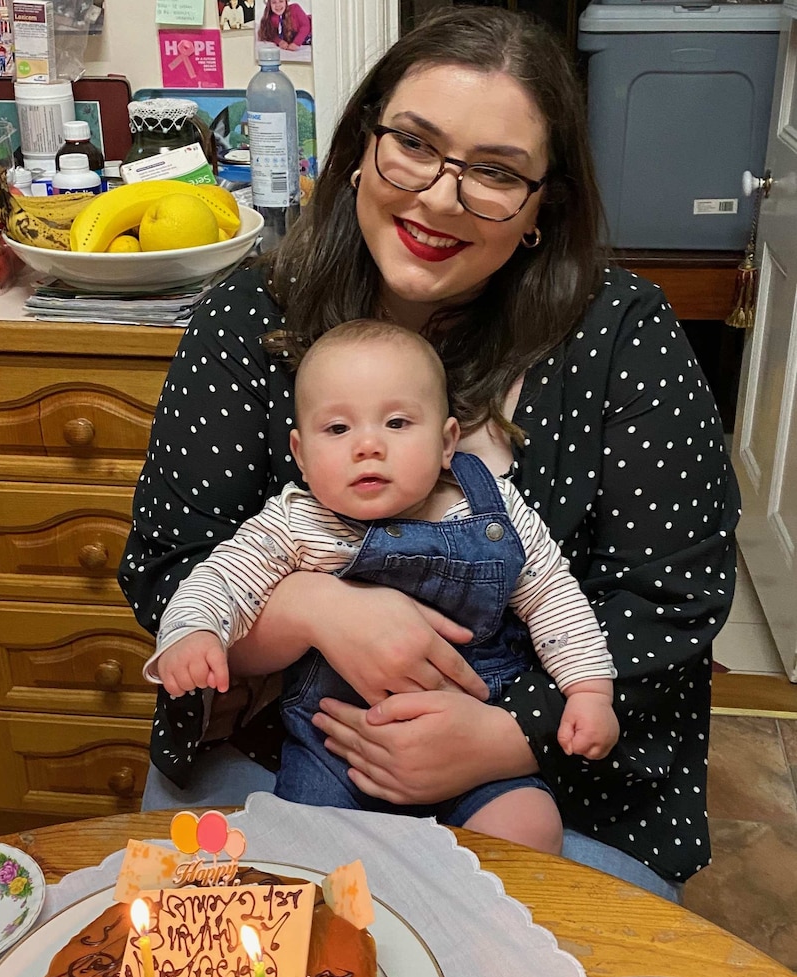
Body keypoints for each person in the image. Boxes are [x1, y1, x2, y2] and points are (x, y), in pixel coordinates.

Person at [120, 9, 740, 902]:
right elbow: (167, 574)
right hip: (279, 756)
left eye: (496, 173)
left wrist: (503, 732)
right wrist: (316, 610)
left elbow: (670, 609)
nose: (441, 197)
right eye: (414, 143)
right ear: (361, 147)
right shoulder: (247, 316)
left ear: (541, 209)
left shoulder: (622, 336)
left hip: (551, 773)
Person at [145, 320, 619, 853]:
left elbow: (555, 599)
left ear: (446, 443)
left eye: (396, 422)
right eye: (338, 430)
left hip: (473, 747)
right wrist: (194, 631)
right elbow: (219, 580)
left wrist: (589, 691)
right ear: (300, 456)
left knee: (531, 826)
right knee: (299, 851)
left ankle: (470, 931)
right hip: (337, 753)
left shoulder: (494, 512)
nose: (367, 445)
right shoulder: (295, 525)